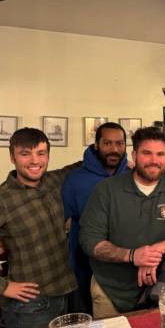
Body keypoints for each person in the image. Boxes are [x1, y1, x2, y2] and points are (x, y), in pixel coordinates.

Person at [0, 128, 78, 328]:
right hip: (31, 303)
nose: (35, 161)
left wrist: (127, 163)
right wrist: (3, 286)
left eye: (41, 153)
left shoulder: (53, 181)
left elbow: (82, 165)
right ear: (12, 157)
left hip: (65, 291)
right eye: (25, 153)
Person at [79, 127, 165, 318]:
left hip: (161, 288)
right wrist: (131, 256)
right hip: (110, 291)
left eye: (160, 154)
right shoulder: (107, 190)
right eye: (147, 153)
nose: (154, 160)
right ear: (134, 154)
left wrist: (153, 251)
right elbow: (89, 240)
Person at [61, 122, 129, 314]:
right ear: (97, 144)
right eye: (107, 143)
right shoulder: (76, 179)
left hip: (124, 262)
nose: (114, 149)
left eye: (119, 143)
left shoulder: (132, 176)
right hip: (85, 262)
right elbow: (61, 219)